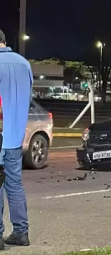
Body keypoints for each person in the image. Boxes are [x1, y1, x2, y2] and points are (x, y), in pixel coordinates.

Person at [0, 30, 32, 249]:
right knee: (14, 184)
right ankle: (21, 232)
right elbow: (28, 97)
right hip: (15, 134)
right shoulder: (24, 64)